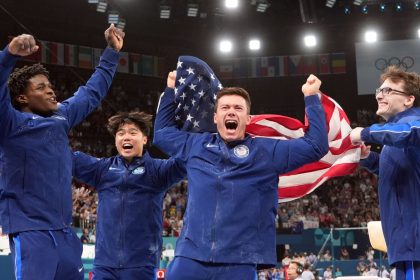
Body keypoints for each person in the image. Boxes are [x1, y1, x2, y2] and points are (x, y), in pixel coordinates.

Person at [153, 70, 329, 279]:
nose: (231, 112)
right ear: (215, 117)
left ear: (248, 118)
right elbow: (162, 134)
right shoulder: (195, 145)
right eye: (225, 107)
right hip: (191, 256)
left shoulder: (267, 152)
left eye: (238, 108)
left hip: (240, 260)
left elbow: (317, 145)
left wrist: (311, 96)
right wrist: (170, 90)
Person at [0, 25, 124, 280]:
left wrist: (111, 51)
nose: (51, 90)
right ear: (22, 99)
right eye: (41, 87)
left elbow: (91, 93)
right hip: (31, 232)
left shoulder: (61, 116)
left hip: (66, 234)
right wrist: (8, 55)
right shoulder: (10, 123)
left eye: (50, 85)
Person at [72, 111, 185, 280]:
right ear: (115, 140)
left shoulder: (157, 171)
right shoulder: (102, 169)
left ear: (145, 139)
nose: (126, 137)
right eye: (121, 133)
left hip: (142, 265)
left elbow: (185, 159)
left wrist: (170, 94)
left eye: (133, 133)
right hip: (104, 265)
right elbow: (63, 157)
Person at [350, 66, 420, 280]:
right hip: (405, 241)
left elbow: (409, 133)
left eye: (389, 90)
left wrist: (364, 132)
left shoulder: (412, 125)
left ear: (409, 100)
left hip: (414, 240)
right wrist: (366, 158)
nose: (380, 95)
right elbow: (392, 168)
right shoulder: (395, 132)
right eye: (379, 90)